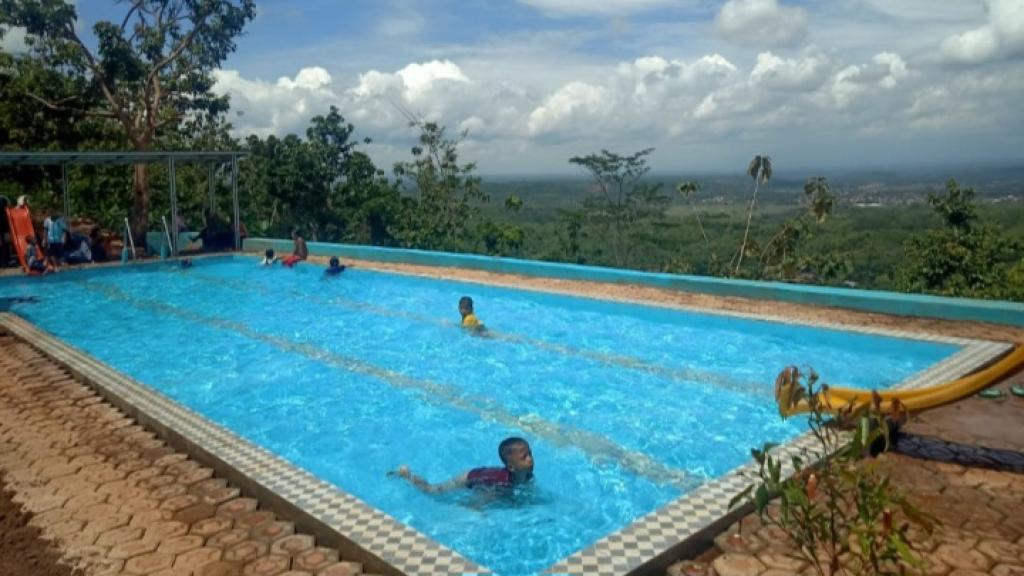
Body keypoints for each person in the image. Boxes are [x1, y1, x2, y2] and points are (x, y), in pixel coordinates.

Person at [389, 437, 534, 493]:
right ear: (511, 467)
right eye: (524, 457)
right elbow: (481, 500)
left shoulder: (527, 474)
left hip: (482, 474)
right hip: (468, 478)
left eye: (530, 454)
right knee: (432, 491)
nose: (530, 459)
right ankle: (406, 475)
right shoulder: (501, 483)